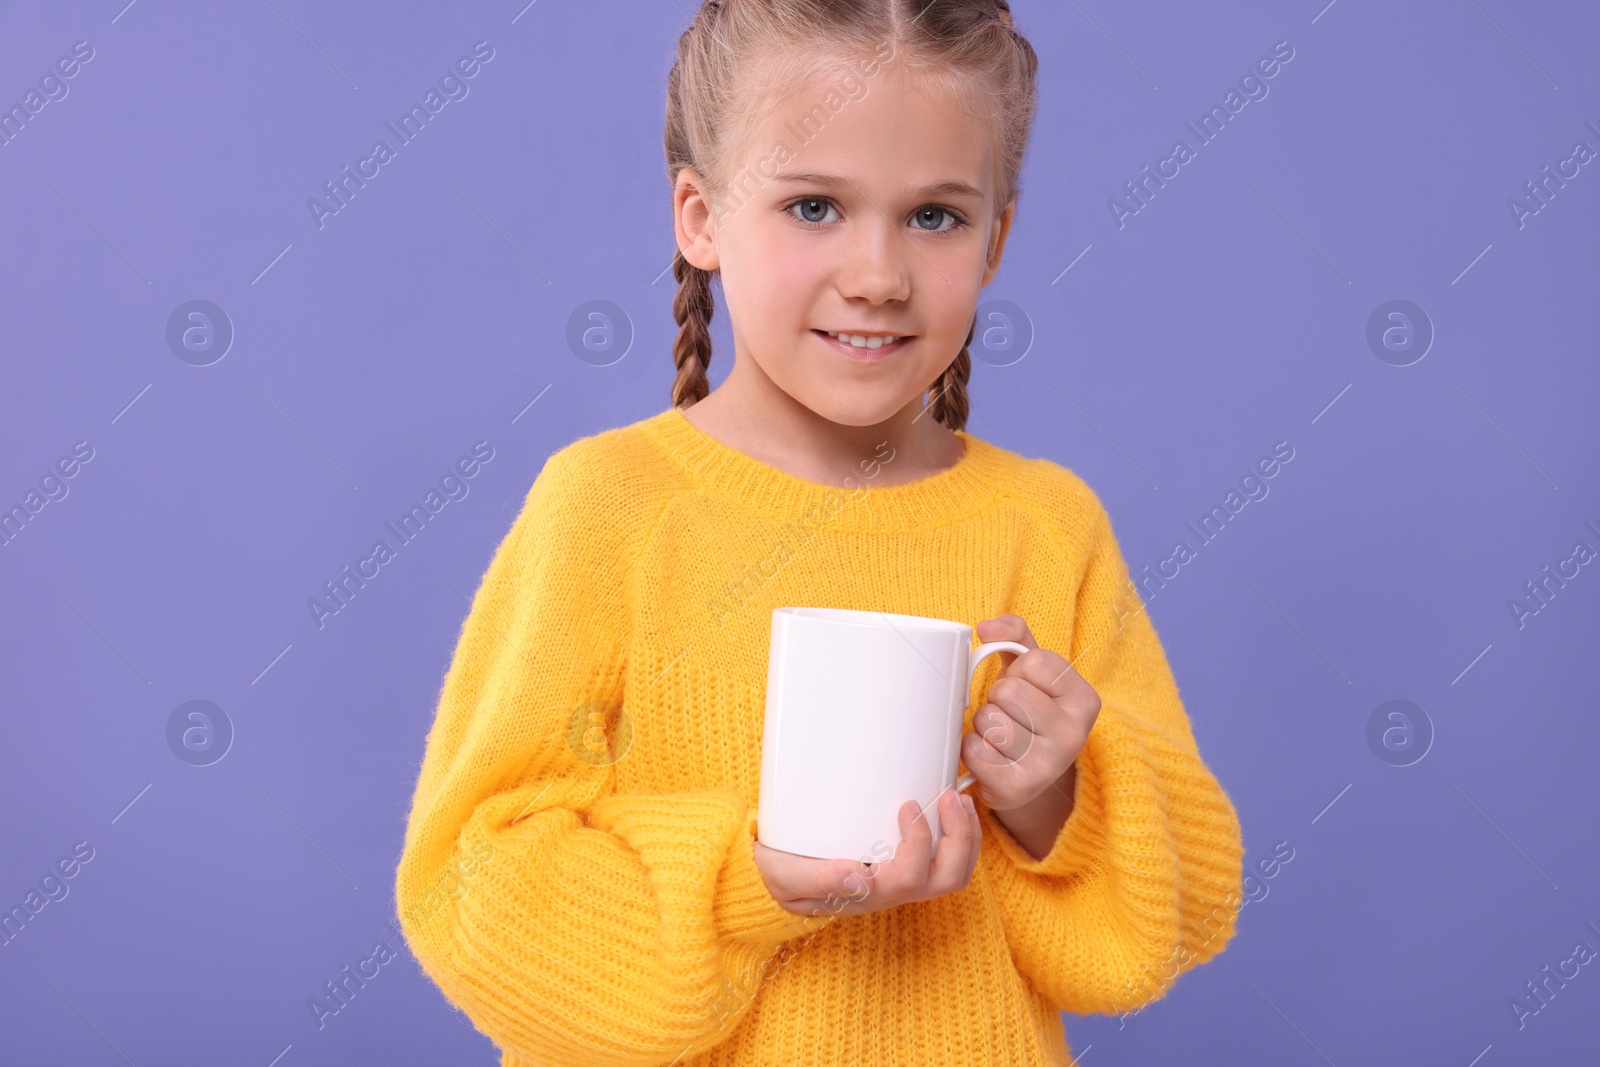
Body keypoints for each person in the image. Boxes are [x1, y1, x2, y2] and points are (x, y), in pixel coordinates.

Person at [393, 2, 1244, 1064]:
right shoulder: (609, 507)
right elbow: (474, 880)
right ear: (699, 217)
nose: (879, 273)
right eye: (812, 206)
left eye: (934, 216)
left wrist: (1056, 796)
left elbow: (1177, 918)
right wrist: (749, 879)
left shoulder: (1048, 524)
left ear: (996, 238)